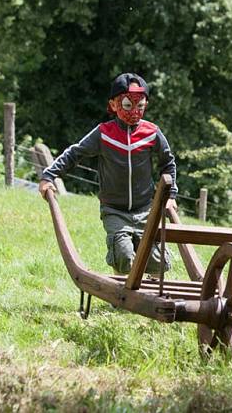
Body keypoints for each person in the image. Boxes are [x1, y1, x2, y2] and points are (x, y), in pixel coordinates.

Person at [39, 72, 178, 276]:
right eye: (128, 105)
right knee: (123, 253)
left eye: (140, 106)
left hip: (146, 208)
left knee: (155, 259)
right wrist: (48, 176)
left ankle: (155, 290)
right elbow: (75, 153)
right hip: (114, 210)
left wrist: (171, 196)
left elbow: (168, 163)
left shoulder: (151, 133)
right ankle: (121, 292)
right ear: (114, 105)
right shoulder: (104, 134)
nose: (135, 111)